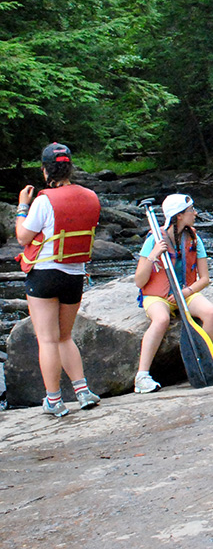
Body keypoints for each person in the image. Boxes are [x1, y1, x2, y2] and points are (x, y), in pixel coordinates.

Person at [13, 142, 103, 417]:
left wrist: (21, 207)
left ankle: (53, 400)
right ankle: (83, 391)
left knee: (48, 340)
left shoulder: (43, 200)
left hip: (44, 274)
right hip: (74, 275)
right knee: (65, 337)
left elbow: (23, 237)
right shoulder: (91, 196)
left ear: (44, 170)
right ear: (70, 167)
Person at [131, 193, 213, 393]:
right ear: (179, 215)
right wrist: (153, 256)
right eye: (191, 211)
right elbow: (139, 281)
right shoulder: (154, 239)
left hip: (184, 293)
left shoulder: (194, 239)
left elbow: (204, 279)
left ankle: (207, 363)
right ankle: (142, 376)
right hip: (157, 297)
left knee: (210, 313)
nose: (195, 213)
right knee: (161, 320)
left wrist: (186, 292)